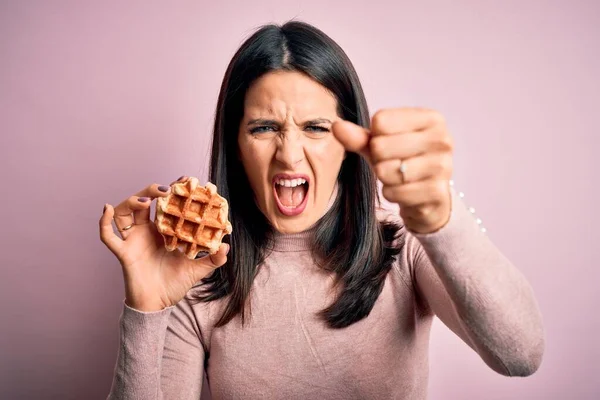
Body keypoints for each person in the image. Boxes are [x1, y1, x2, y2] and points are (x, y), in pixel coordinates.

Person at [100, 20, 545, 400]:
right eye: (264, 127)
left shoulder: (401, 243)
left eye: (316, 127)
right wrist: (147, 308)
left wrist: (442, 220)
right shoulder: (192, 273)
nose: (290, 156)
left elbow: (520, 356)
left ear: (348, 145)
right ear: (236, 146)